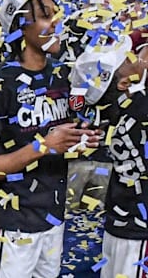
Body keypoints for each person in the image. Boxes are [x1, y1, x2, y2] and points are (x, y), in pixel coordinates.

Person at [0, 0, 100, 278]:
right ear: (20, 27)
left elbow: (65, 140)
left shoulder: (66, 77)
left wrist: (83, 140)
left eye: (55, 14)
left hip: (53, 221)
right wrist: (43, 146)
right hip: (11, 228)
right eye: (44, 15)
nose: (54, 22)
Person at [68, 33, 148, 277]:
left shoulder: (123, 112)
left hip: (120, 226)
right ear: (124, 84)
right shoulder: (141, 111)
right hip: (140, 238)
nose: (142, 54)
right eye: (134, 57)